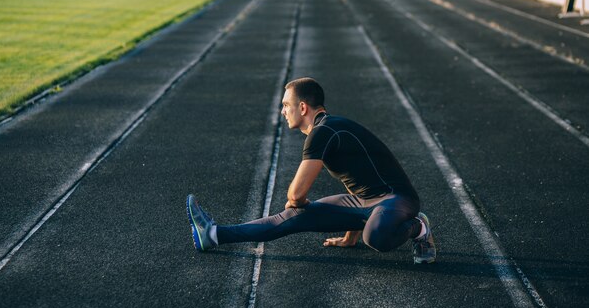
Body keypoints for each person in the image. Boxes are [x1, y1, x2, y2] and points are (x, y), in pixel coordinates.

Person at [187, 77, 436, 264]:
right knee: (291, 218)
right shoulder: (324, 130)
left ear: (303, 107)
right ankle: (213, 234)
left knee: (376, 237)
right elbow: (355, 186)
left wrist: (300, 203)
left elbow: (295, 195)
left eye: (286, 105)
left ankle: (419, 227)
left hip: (397, 199)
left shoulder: (323, 131)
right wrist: (349, 238)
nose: (283, 111)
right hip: (367, 201)